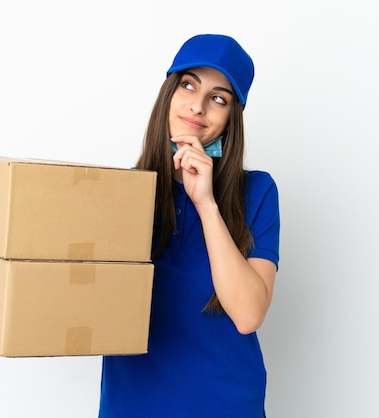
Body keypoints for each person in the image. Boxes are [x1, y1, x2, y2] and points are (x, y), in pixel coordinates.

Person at [98, 34, 280, 418]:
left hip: (225, 404)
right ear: (169, 94)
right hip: (133, 404)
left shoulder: (258, 192)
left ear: (232, 119)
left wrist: (206, 203)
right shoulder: (120, 194)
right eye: (188, 85)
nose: (197, 106)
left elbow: (248, 316)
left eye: (218, 98)